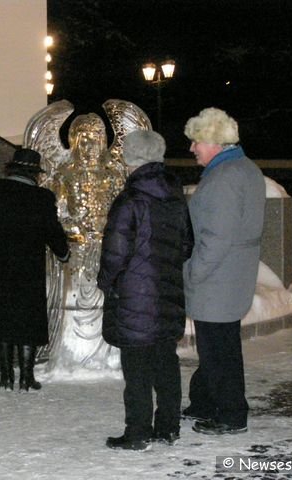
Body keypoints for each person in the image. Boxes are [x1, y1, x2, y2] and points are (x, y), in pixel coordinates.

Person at [97, 130, 194, 450]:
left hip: (135, 297)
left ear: (133, 158)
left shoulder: (130, 200)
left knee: (136, 368)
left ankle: (137, 431)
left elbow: (115, 252)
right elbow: (186, 245)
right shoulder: (175, 197)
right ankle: (168, 427)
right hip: (167, 292)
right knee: (166, 363)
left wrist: (106, 282)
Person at [0, 148, 70, 392]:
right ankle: (27, 378)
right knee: (27, 321)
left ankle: (6, 376)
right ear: (35, 173)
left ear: (11, 169)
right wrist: (63, 253)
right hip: (27, 269)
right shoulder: (41, 197)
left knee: (1, 319)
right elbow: (52, 231)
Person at [182, 107, 265, 435]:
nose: (192, 149)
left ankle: (230, 414)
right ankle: (204, 401)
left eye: (196, 141)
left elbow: (216, 238)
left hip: (218, 278)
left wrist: (192, 272)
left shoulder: (224, 178)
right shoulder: (244, 169)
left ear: (213, 141)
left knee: (219, 349)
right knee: (216, 345)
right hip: (231, 275)